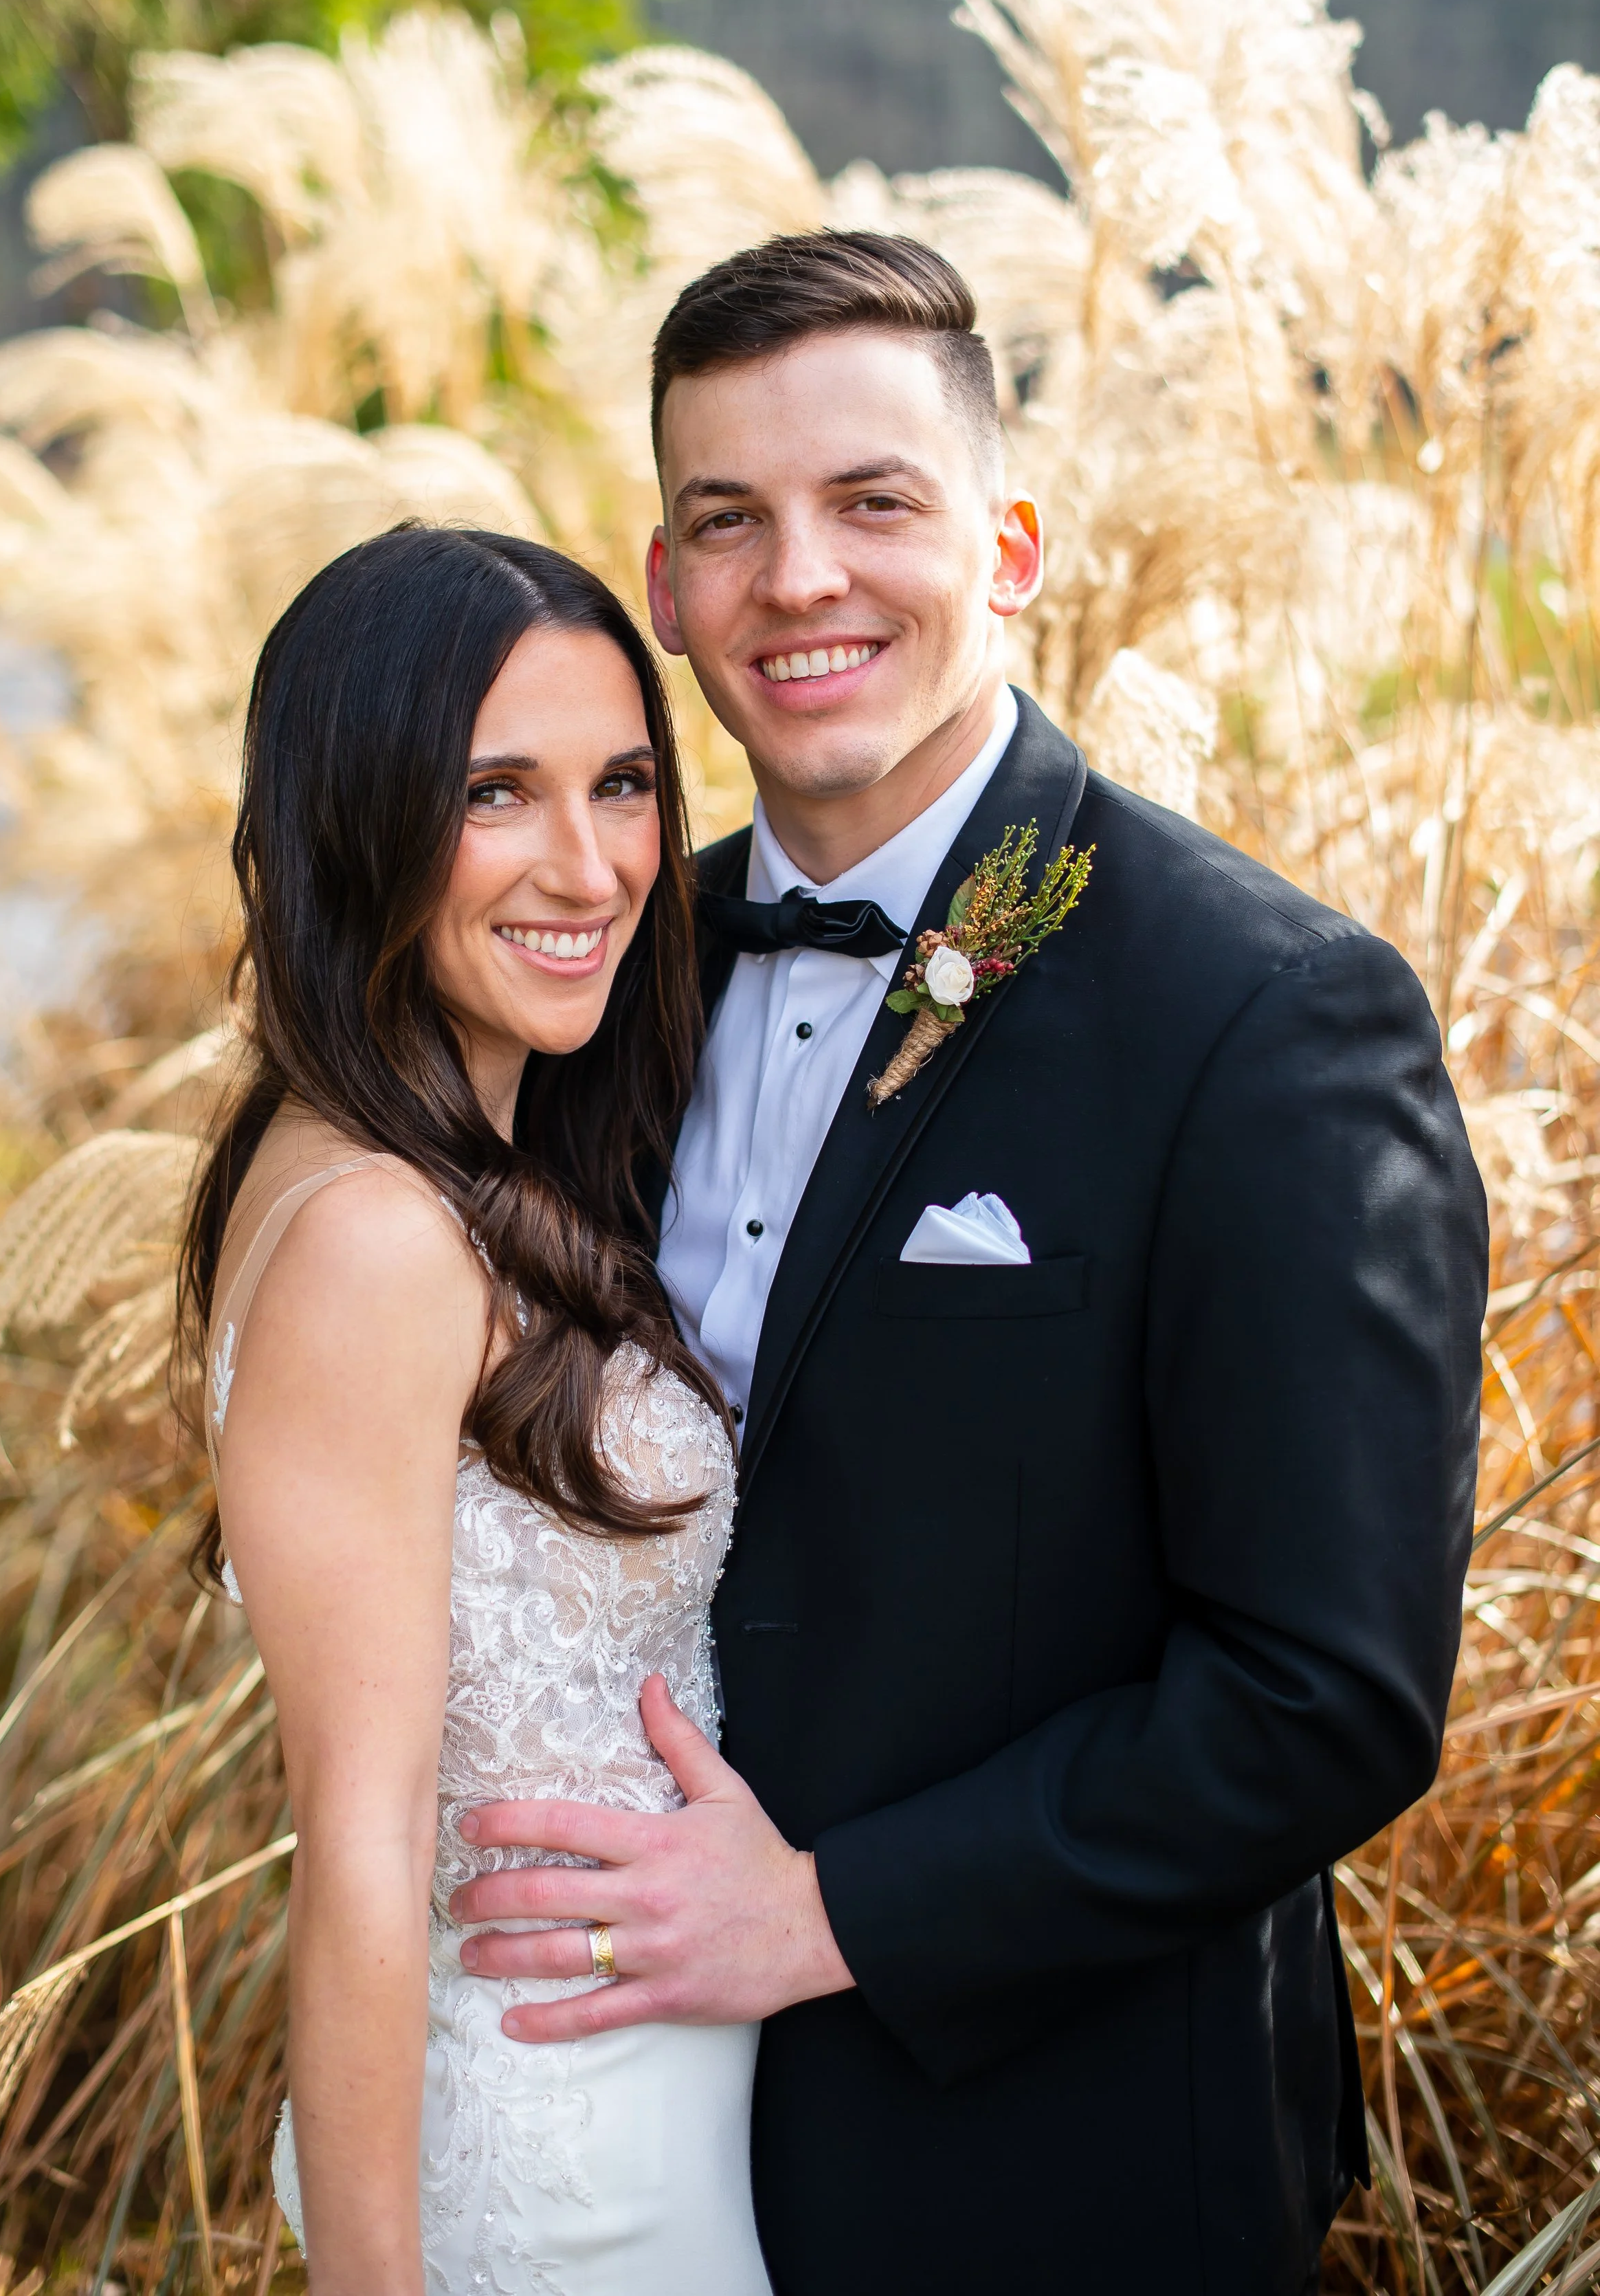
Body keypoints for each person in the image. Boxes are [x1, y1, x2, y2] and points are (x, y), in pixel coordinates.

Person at [447, 233, 1492, 2293]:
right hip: (620, 2135)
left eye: (874, 501)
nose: (798, 578)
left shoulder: (1262, 1015)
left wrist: (833, 1912)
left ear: (1007, 541)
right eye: (727, 521)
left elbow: (1324, 1694)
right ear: (663, 589)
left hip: (1053, 2164)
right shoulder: (601, 982)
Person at [179, 525, 773, 2296]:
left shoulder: (446, 1163)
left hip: (638, 2105)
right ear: (355, 815)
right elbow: (358, 1841)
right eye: (496, 794)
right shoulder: (379, 1232)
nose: (587, 866)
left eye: (626, 784)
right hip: (547, 2156)